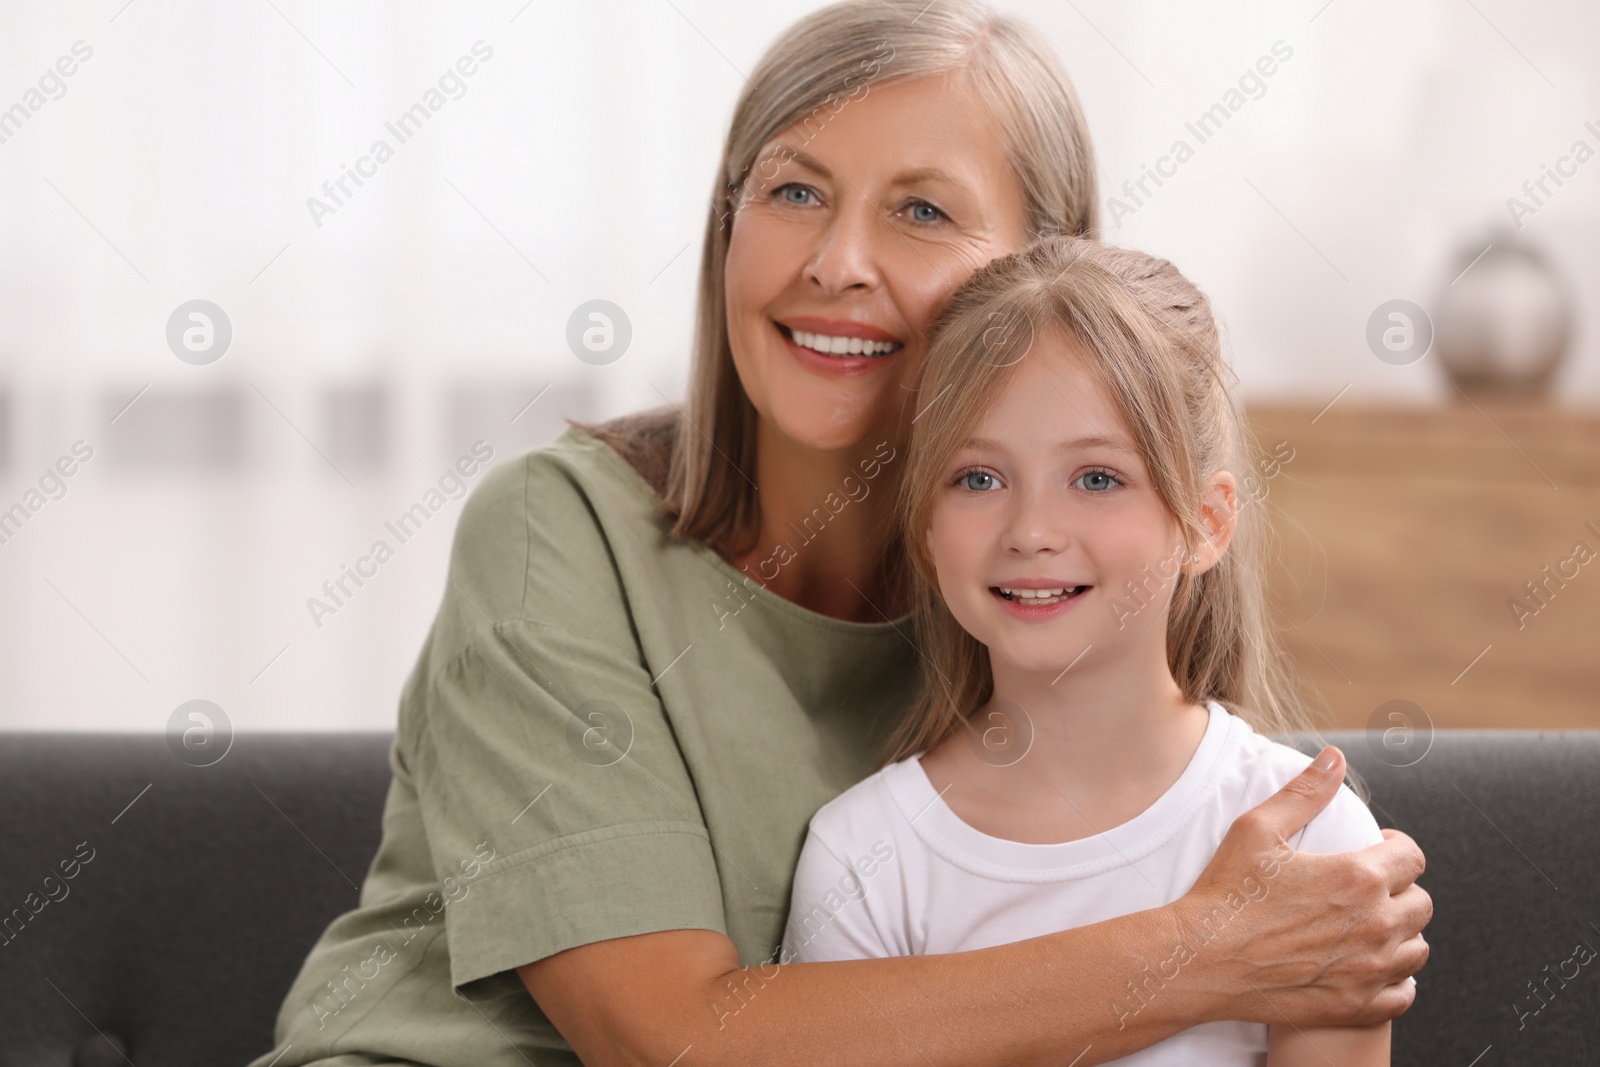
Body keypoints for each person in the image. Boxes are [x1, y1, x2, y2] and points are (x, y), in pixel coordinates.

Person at [251, 2, 1429, 1064]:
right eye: (793, 191)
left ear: (1040, 263)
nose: (836, 263)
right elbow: (667, 1040)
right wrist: (1206, 950)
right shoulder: (558, 533)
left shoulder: (1026, 600)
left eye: (920, 209)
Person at [780, 235, 1392, 1066]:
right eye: (979, 478)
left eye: (1097, 478)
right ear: (926, 525)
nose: (1031, 531)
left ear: (1206, 523)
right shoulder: (862, 859)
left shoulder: (1312, 847)